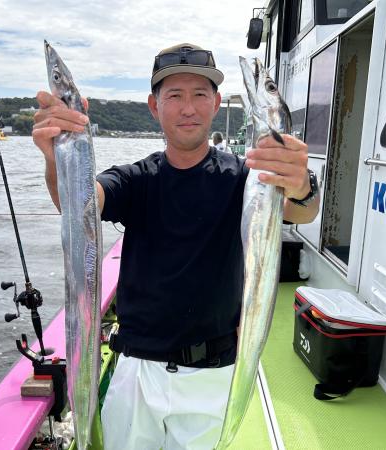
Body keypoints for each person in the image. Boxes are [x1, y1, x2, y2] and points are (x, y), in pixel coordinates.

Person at [32, 43, 319, 450]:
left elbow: (301, 210)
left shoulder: (246, 178)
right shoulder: (136, 178)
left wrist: (302, 184)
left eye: (200, 94)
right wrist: (58, 159)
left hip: (213, 374)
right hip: (136, 371)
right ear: (154, 106)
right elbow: (78, 205)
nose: (188, 108)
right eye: (175, 96)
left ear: (216, 104)